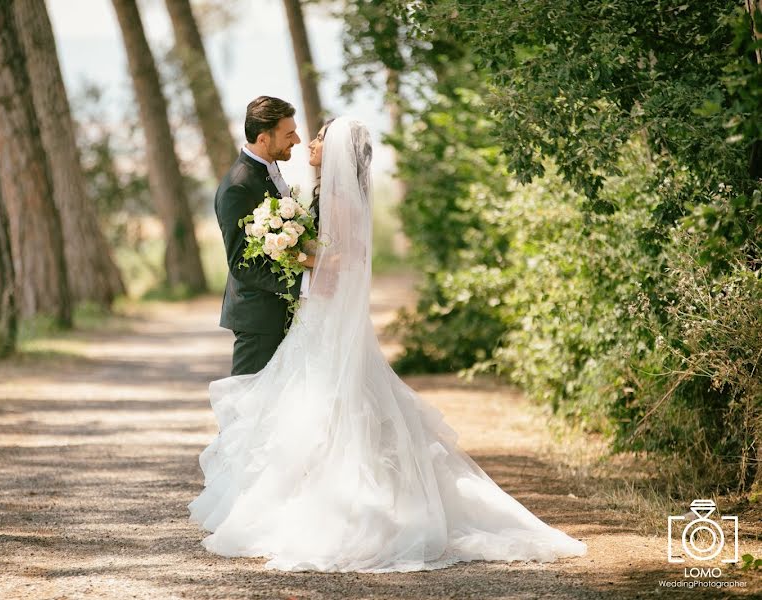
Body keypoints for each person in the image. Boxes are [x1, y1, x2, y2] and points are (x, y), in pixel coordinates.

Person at [190, 116, 588, 573]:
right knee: (308, 404)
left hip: (323, 313)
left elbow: (345, 257)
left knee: (322, 405)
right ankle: (283, 493)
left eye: (317, 137)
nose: (307, 143)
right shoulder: (319, 192)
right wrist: (296, 253)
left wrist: (298, 255)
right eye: (299, 134)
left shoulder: (336, 197)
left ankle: (327, 506)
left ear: (337, 152)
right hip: (315, 314)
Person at [214, 96, 310, 376]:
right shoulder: (238, 186)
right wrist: (304, 285)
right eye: (289, 134)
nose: (298, 140)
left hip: (281, 313)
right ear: (263, 138)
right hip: (258, 319)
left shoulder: (269, 170)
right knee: (245, 403)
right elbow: (241, 264)